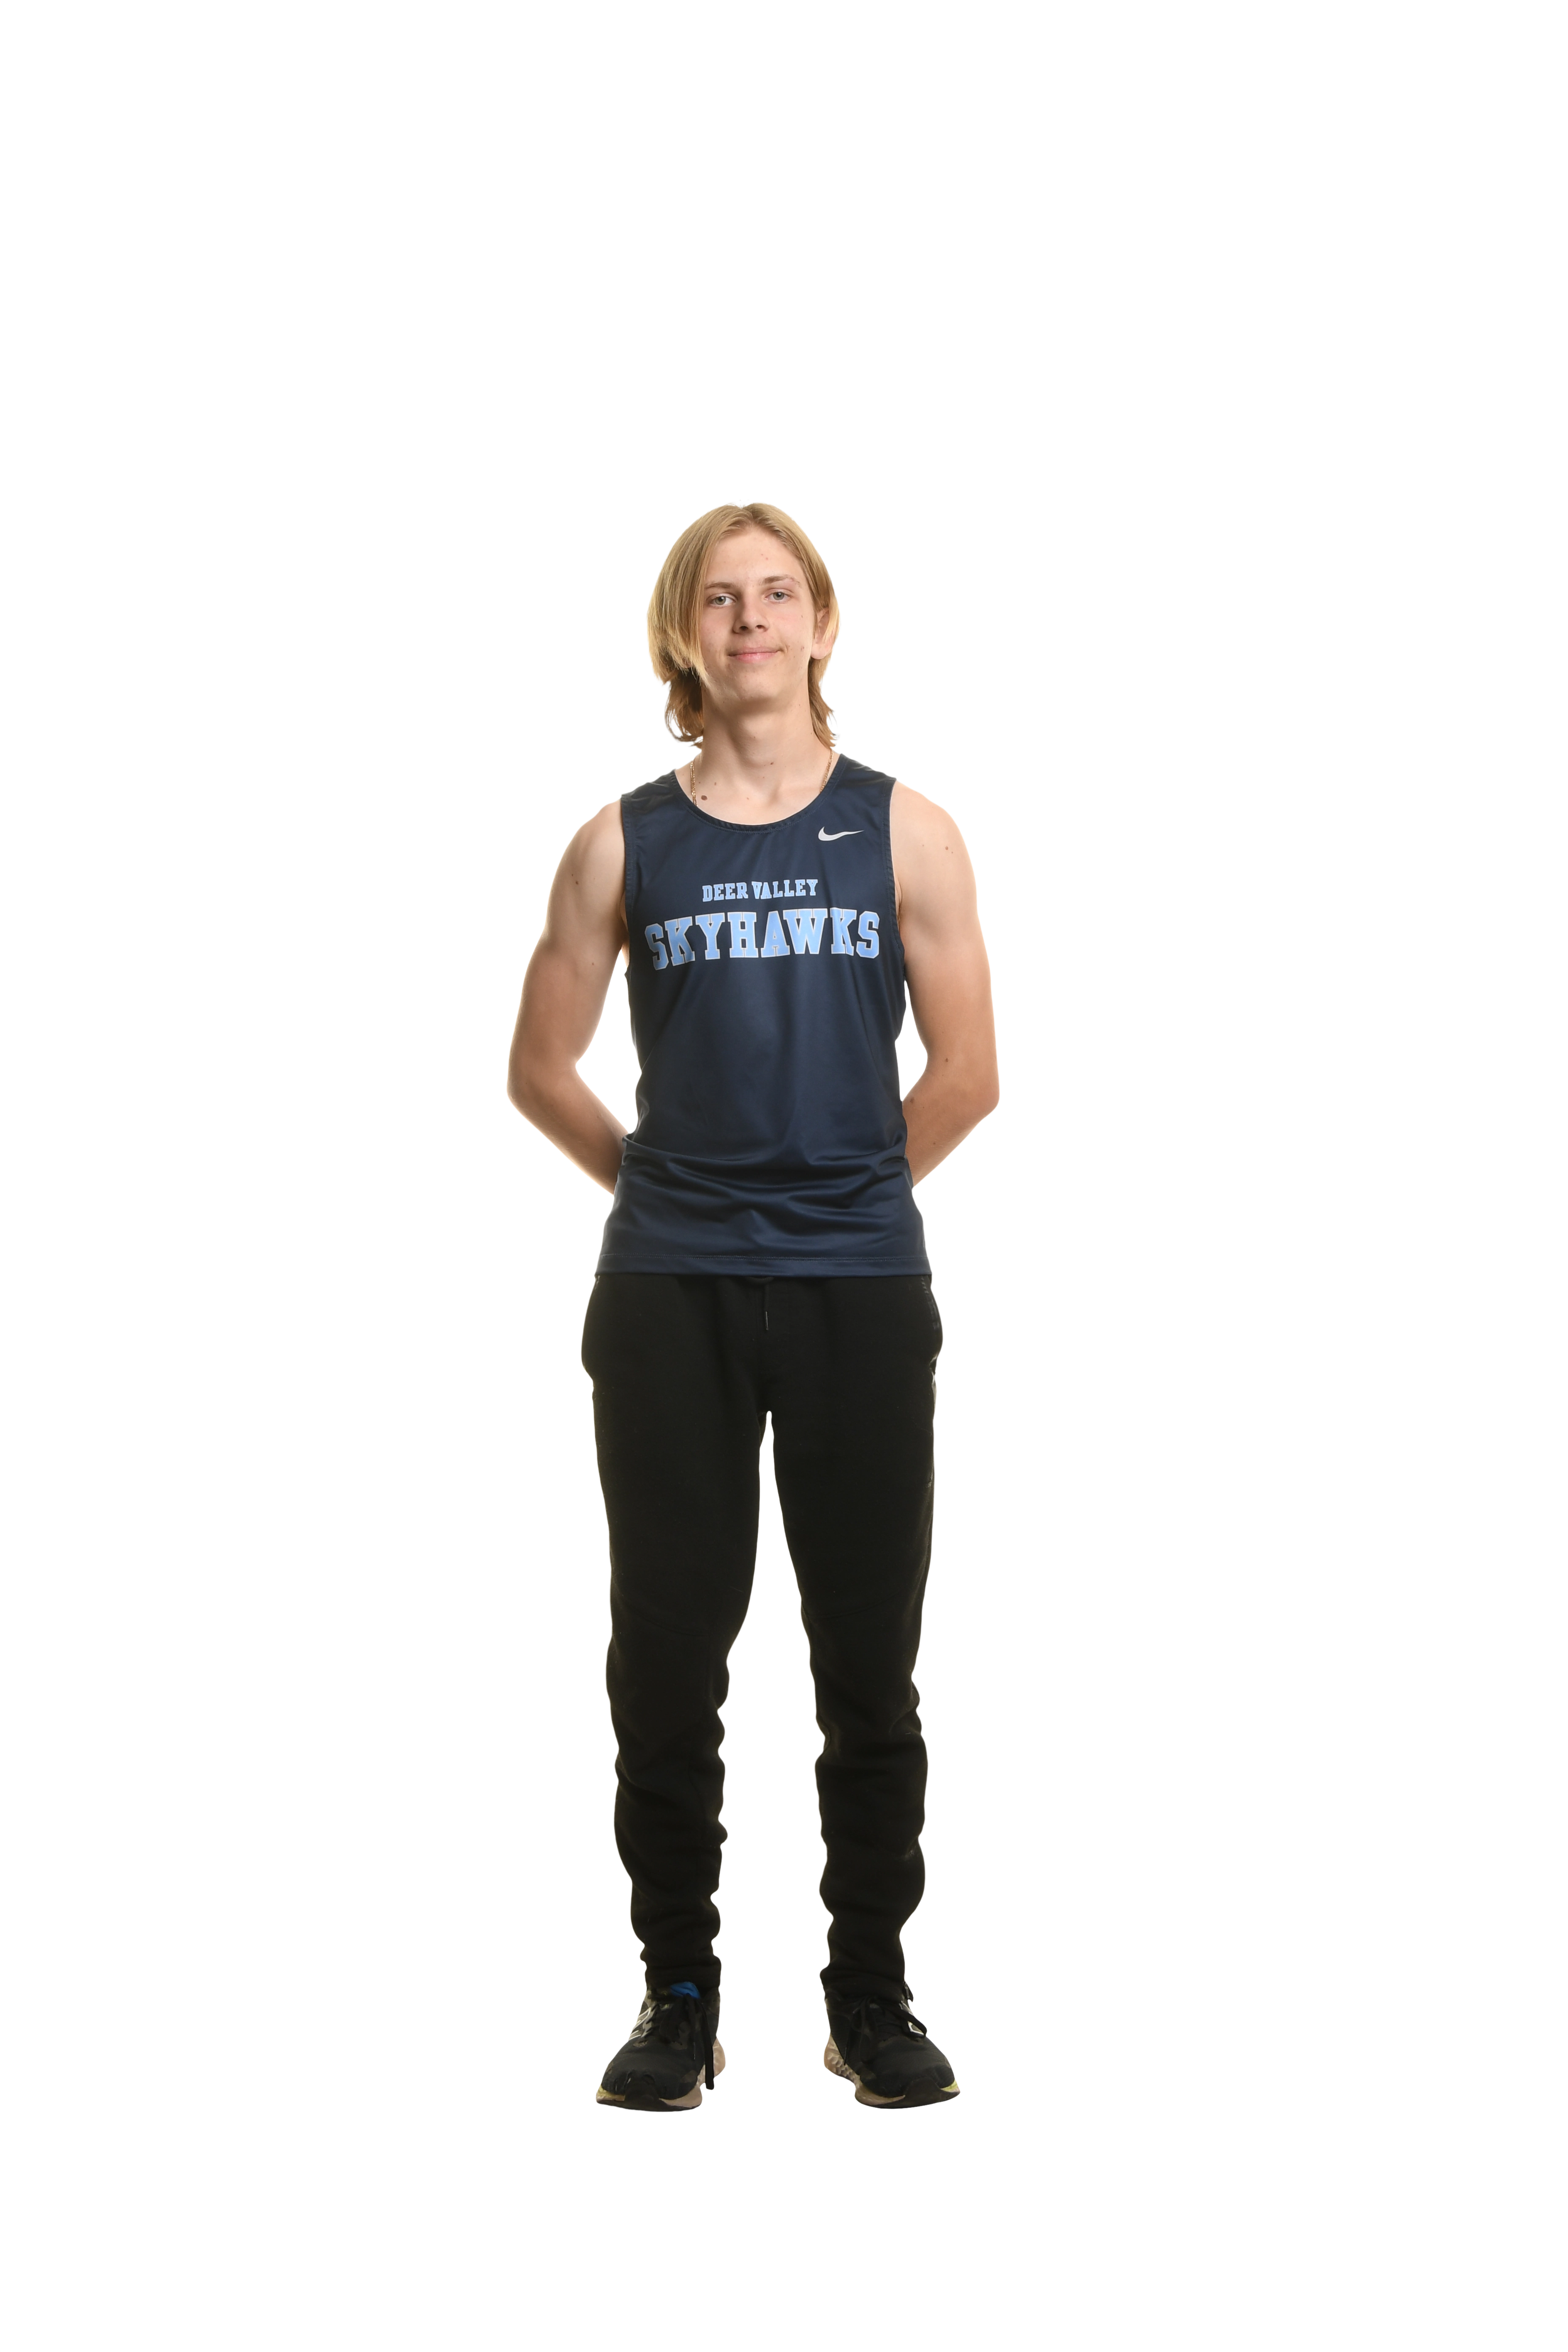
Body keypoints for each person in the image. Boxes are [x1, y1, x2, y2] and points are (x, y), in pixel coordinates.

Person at [506, 500, 999, 2110]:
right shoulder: (622, 843)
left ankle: (871, 1997)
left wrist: (838, 1195)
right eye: (719, 598)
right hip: (671, 1297)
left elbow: (971, 1073)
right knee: (666, 1660)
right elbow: (541, 1066)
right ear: (682, 633)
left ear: (826, 622)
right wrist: (668, 1193)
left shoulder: (909, 832)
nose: (752, 620)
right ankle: (676, 1998)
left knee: (871, 1664)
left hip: (862, 1292)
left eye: (780, 592)